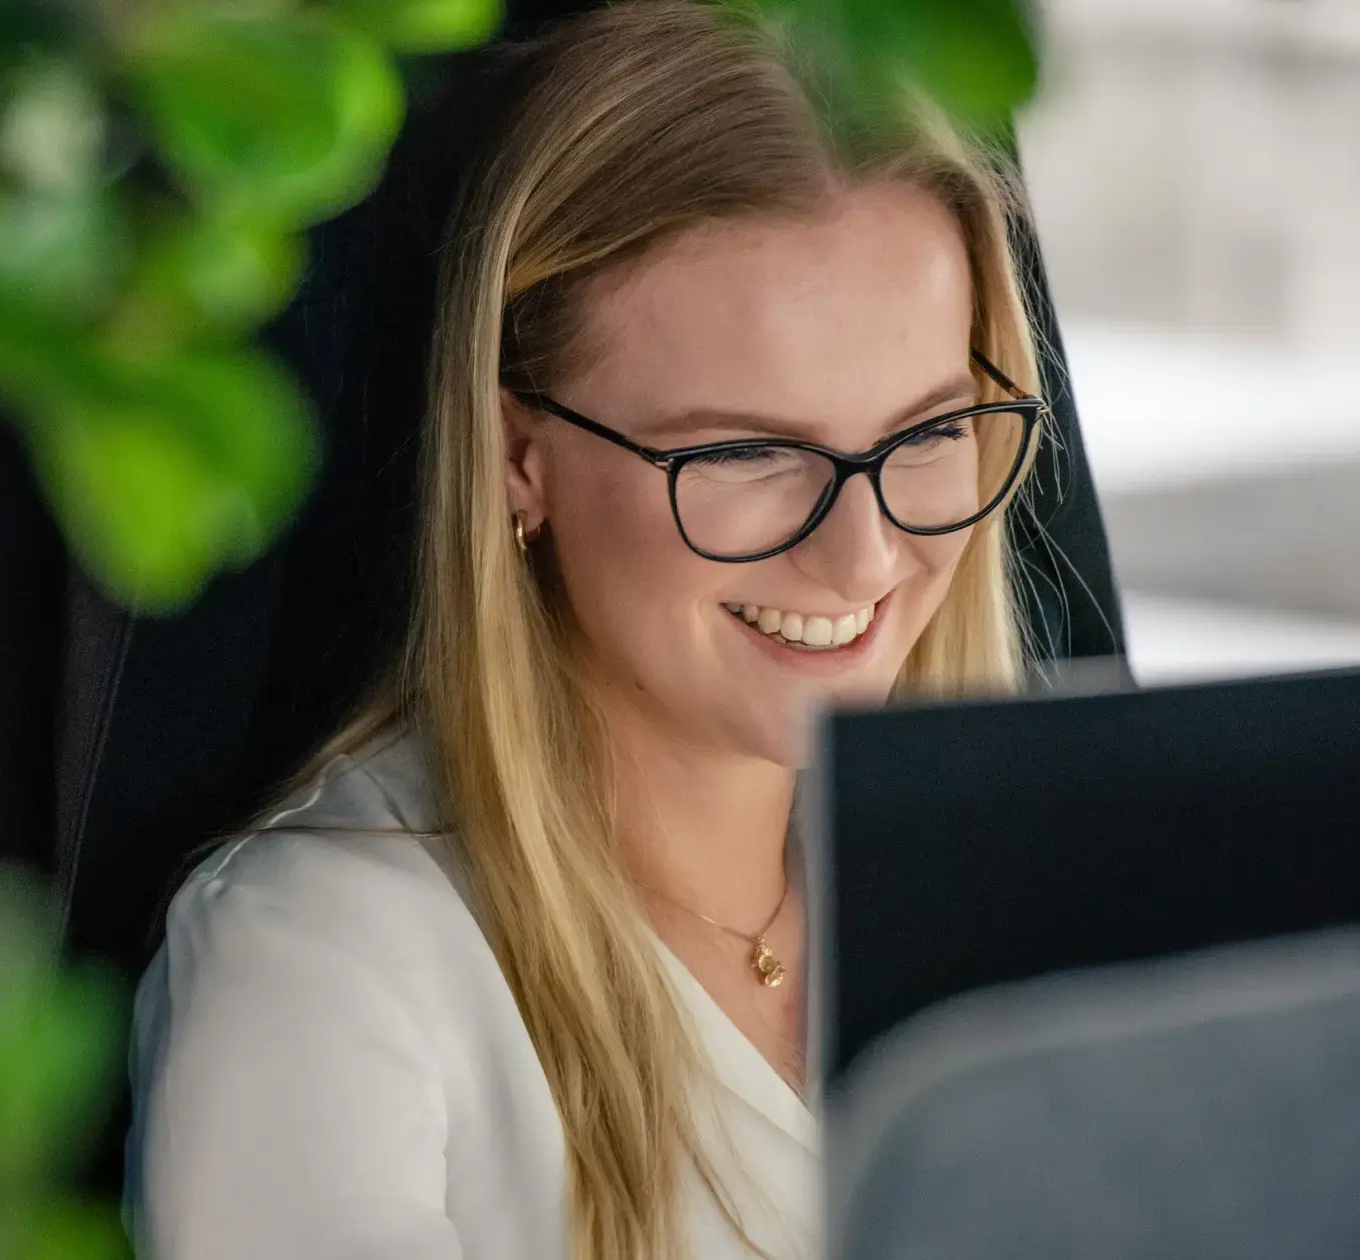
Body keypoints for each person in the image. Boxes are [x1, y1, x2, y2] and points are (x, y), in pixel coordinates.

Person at [122, 2, 1056, 1257]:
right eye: (742, 451)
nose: (866, 556)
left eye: (929, 433)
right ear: (518, 457)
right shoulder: (320, 968)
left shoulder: (1029, 904)